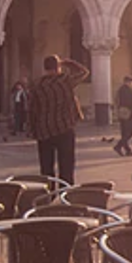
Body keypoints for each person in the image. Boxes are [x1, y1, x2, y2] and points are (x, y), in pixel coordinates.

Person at [26, 54, 90, 184]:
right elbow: (84, 72)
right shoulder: (65, 81)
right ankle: (65, 190)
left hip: (44, 130)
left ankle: (48, 192)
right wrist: (69, 63)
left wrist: (31, 129)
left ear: (45, 68)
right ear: (58, 67)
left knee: (46, 166)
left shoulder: (37, 85)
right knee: (66, 165)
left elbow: (32, 109)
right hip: (64, 128)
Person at [114, 75, 132, 156]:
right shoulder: (126, 90)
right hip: (127, 113)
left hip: (123, 112)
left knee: (125, 132)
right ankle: (118, 146)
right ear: (128, 81)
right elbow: (127, 102)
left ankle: (127, 150)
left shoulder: (121, 89)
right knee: (130, 132)